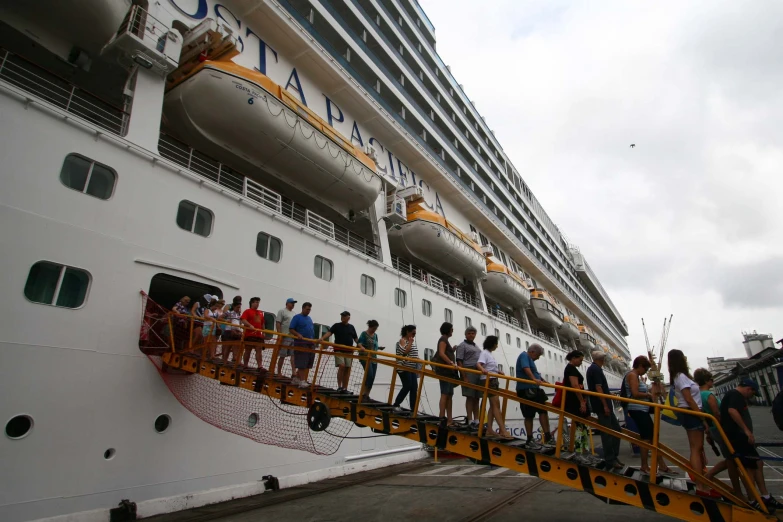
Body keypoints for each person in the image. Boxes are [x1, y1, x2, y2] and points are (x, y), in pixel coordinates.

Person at [720, 379, 781, 512]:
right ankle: (753, 500)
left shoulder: (733, 395)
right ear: (748, 389)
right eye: (752, 393)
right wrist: (747, 431)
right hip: (738, 436)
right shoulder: (736, 396)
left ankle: (764, 496)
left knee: (757, 463)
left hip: (739, 436)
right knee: (749, 468)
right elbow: (732, 411)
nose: (751, 396)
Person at [624, 355, 674, 475]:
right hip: (637, 409)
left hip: (642, 410)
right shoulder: (632, 375)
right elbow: (635, 393)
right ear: (640, 366)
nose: (645, 372)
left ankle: (661, 464)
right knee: (646, 438)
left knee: (652, 437)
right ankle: (644, 466)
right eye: (645, 369)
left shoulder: (636, 376)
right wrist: (648, 395)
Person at [668, 349, 709, 492]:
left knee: (697, 448)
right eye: (683, 356)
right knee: (696, 449)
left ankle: (701, 481)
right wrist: (702, 417)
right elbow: (689, 399)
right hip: (691, 413)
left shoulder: (678, 377)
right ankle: (700, 484)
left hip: (689, 413)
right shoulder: (681, 377)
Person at [695, 369, 739, 496]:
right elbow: (717, 413)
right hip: (720, 428)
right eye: (711, 380)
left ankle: (709, 475)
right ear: (707, 381)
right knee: (732, 458)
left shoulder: (697, 396)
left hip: (712, 429)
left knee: (731, 458)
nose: (712, 382)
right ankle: (710, 475)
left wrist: (709, 433)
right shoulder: (709, 395)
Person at [587, 350, 622, 470]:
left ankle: (613, 457)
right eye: (604, 359)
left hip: (603, 405)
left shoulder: (595, 368)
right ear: (601, 360)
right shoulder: (595, 369)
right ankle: (610, 459)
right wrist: (605, 406)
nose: (605, 361)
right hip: (602, 406)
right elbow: (598, 388)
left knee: (616, 430)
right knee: (607, 433)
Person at [516, 343, 553, 447]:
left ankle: (547, 436)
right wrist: (533, 379)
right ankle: (530, 438)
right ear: (532, 352)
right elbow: (525, 368)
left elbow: (534, 371)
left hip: (534, 389)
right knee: (529, 415)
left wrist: (542, 380)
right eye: (538, 355)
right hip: (526, 389)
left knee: (543, 411)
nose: (538, 358)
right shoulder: (524, 356)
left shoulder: (530, 359)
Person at [477, 336, 513, 440]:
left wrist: (498, 371)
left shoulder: (489, 354)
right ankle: (503, 430)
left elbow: (490, 367)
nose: (497, 346)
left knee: (494, 406)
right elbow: (478, 364)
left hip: (493, 379)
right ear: (492, 344)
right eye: (496, 344)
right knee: (496, 405)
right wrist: (483, 370)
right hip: (488, 380)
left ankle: (489, 430)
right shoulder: (484, 353)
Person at [320, 311, 359, 393]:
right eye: (342, 316)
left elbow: (355, 338)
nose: (342, 317)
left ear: (348, 318)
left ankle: (345, 388)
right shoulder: (336, 325)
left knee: (347, 369)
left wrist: (360, 345)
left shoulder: (351, 327)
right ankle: (339, 386)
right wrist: (322, 338)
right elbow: (329, 333)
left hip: (349, 351)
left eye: (344, 316)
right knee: (342, 366)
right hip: (339, 349)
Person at [455, 326, 481, 429]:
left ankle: (477, 420)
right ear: (466, 335)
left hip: (477, 373)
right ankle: (470, 420)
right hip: (468, 372)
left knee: (477, 397)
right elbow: (459, 361)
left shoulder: (476, 347)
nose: (471, 335)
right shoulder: (462, 346)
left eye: (473, 333)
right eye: (469, 333)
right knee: (470, 397)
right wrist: (464, 376)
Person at [433, 322, 458, 426]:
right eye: (452, 329)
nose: (452, 331)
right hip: (445, 372)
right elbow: (441, 353)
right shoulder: (443, 339)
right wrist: (451, 363)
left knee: (449, 395)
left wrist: (452, 350)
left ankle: (449, 419)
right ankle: (442, 418)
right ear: (448, 330)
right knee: (445, 394)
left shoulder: (445, 340)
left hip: (448, 372)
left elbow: (444, 352)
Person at [563, 350, 588, 453]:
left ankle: (582, 449)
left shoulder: (570, 368)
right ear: (573, 358)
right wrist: (582, 402)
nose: (581, 362)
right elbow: (575, 386)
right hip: (575, 402)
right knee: (580, 426)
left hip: (574, 400)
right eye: (580, 360)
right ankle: (580, 450)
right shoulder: (571, 369)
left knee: (581, 425)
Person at [289, 302, 316, 388]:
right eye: (307, 309)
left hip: (310, 343)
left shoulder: (309, 318)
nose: (309, 311)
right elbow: (291, 329)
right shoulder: (297, 317)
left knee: (308, 362)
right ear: (303, 308)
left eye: (310, 309)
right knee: (302, 362)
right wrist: (298, 334)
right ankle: (302, 381)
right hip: (301, 343)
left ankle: (296, 378)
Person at [393, 325, 419, 412]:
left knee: (414, 388)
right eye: (413, 333)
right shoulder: (402, 341)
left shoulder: (410, 341)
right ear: (407, 332)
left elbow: (412, 354)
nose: (414, 335)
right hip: (404, 368)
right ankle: (396, 404)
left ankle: (413, 409)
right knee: (407, 385)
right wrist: (410, 343)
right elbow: (404, 352)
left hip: (412, 368)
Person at [357, 320, 384, 402]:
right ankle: (363, 393)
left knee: (372, 377)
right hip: (365, 357)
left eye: (376, 329)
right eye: (374, 328)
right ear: (370, 327)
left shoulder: (375, 335)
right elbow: (359, 342)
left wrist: (379, 348)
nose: (374, 330)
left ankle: (367, 394)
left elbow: (374, 345)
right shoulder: (364, 334)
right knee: (369, 375)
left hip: (374, 358)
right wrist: (361, 347)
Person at [240, 297, 265, 371]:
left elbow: (262, 323)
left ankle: (260, 366)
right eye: (256, 302)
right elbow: (243, 320)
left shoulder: (260, 313)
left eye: (258, 302)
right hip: (249, 334)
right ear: (252, 303)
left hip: (258, 334)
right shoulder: (247, 311)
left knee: (259, 349)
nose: (257, 304)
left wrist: (263, 332)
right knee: (248, 349)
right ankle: (245, 365)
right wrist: (249, 325)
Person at [274, 298, 297, 378]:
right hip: (285, 336)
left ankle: (294, 372)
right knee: (282, 355)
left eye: (294, 303)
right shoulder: (282, 311)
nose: (293, 305)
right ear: (287, 303)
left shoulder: (294, 313)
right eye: (291, 303)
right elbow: (278, 322)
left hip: (292, 337)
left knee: (293, 355)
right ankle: (279, 372)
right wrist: (279, 334)